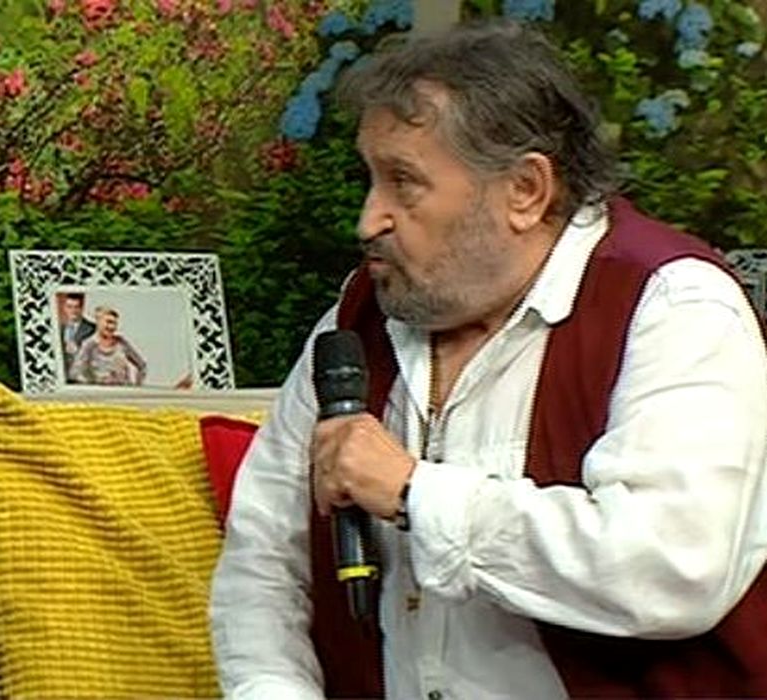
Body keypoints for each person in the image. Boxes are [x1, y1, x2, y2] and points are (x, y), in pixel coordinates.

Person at [210, 19, 767, 700]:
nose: (368, 219)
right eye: (370, 179)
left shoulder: (673, 306)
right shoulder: (357, 321)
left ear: (525, 190)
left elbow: (670, 568)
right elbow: (263, 564)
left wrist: (414, 493)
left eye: (403, 182)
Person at [69, 306, 147, 386]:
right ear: (98, 322)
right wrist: (90, 386)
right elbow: (75, 373)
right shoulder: (88, 345)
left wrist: (136, 387)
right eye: (108, 322)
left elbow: (142, 365)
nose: (111, 327)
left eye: (114, 323)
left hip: (121, 391)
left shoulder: (122, 343)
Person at [59, 292, 96, 380]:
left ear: (82, 308)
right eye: (69, 307)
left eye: (76, 307)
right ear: (64, 308)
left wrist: (78, 350)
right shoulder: (59, 328)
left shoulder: (92, 328)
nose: (73, 311)